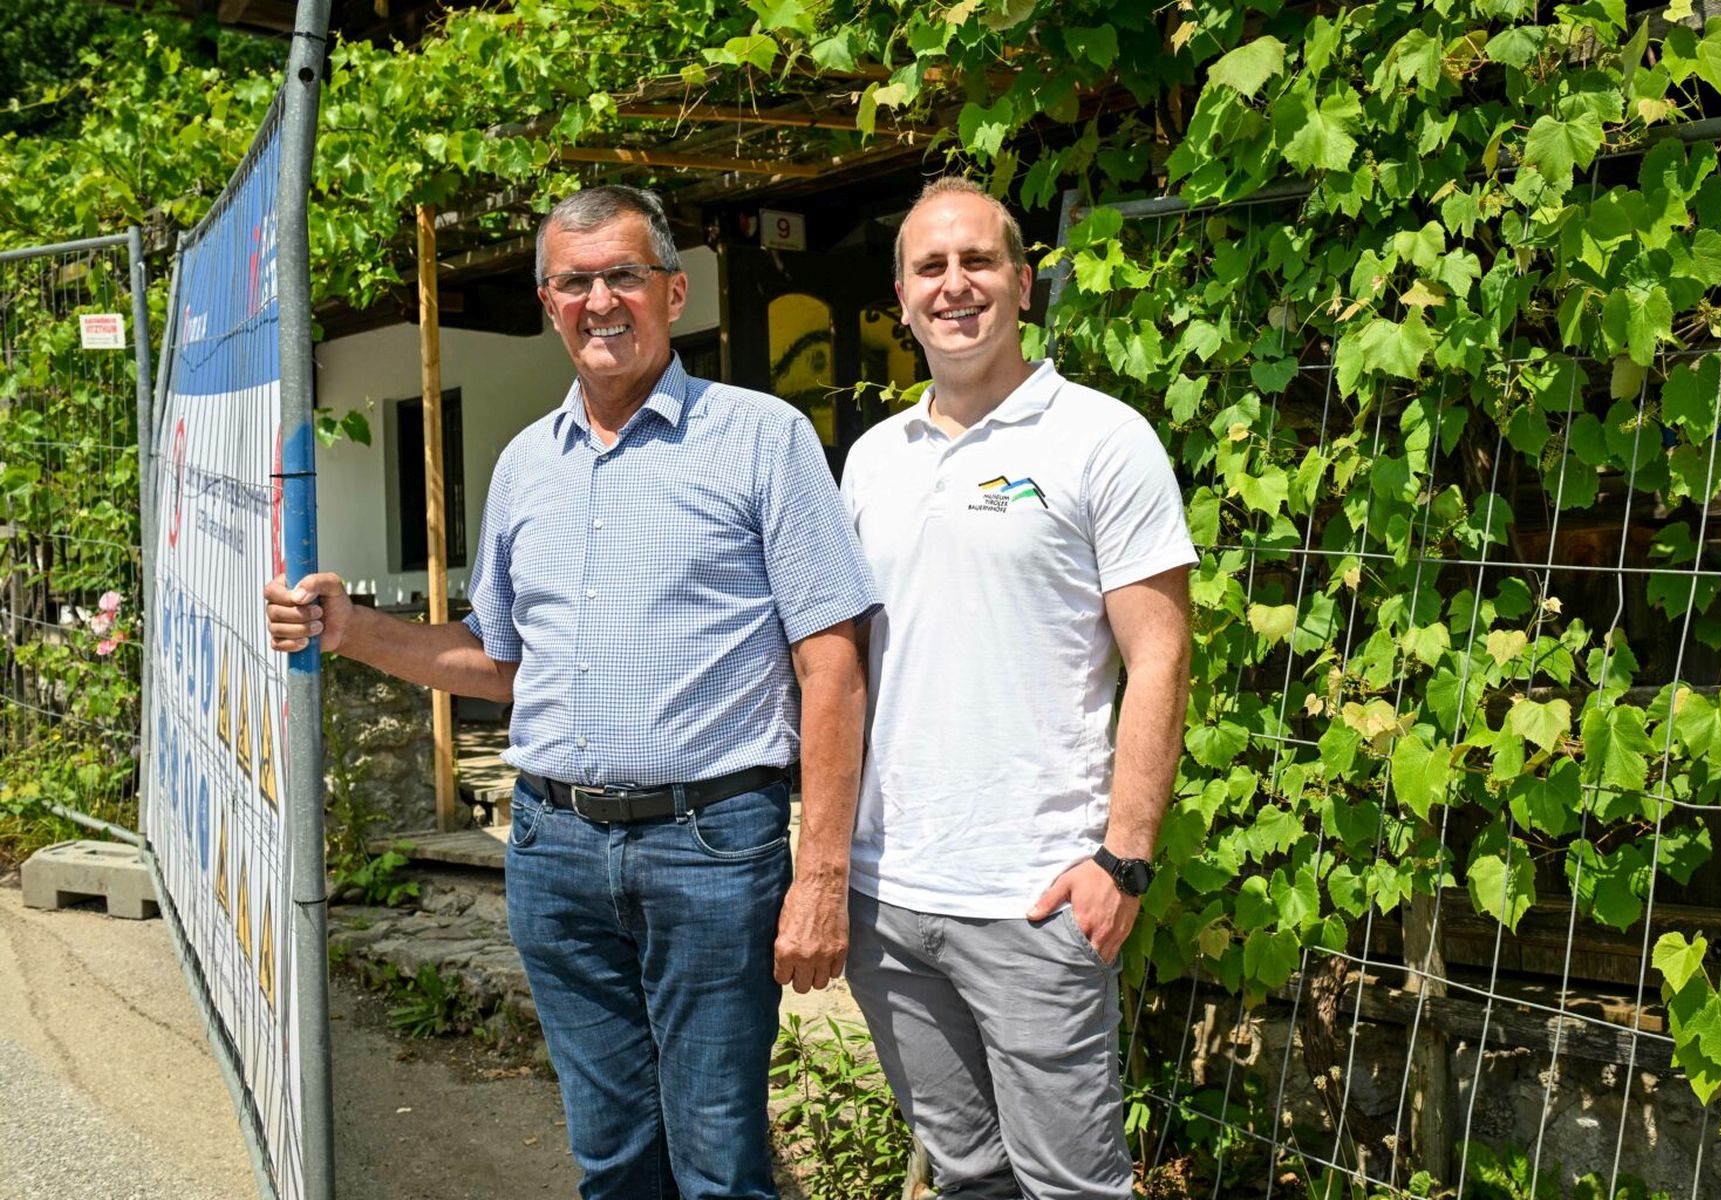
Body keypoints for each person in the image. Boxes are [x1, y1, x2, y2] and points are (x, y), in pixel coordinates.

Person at [264, 185, 876, 1200]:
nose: (600, 302)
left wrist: (820, 875)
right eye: (574, 282)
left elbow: (833, 662)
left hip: (713, 849)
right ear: (548, 302)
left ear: (673, 291)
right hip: (554, 854)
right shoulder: (523, 466)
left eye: (623, 275)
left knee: (720, 1160)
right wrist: (351, 627)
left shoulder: (761, 438)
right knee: (611, 1156)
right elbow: (500, 661)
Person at [838, 176, 1196, 1199]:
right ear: (902, 298)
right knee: (967, 1179)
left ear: (1024, 282)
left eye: (978, 261)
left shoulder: (1101, 438)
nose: (955, 285)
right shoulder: (870, 461)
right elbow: (842, 666)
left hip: (1036, 900)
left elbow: (1160, 654)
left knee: (1072, 1188)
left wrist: (1123, 858)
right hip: (887, 900)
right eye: (930, 267)